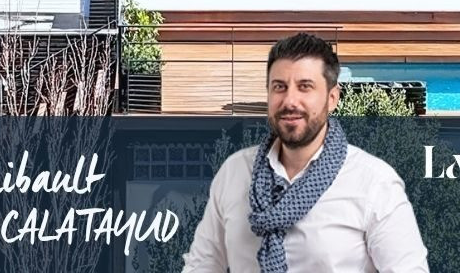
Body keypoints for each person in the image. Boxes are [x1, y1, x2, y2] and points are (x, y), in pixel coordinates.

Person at [183, 33, 428, 272]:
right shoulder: (234, 172)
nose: (290, 101)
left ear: (332, 98)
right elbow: (202, 264)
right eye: (279, 87)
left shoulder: (375, 183)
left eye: (305, 87)